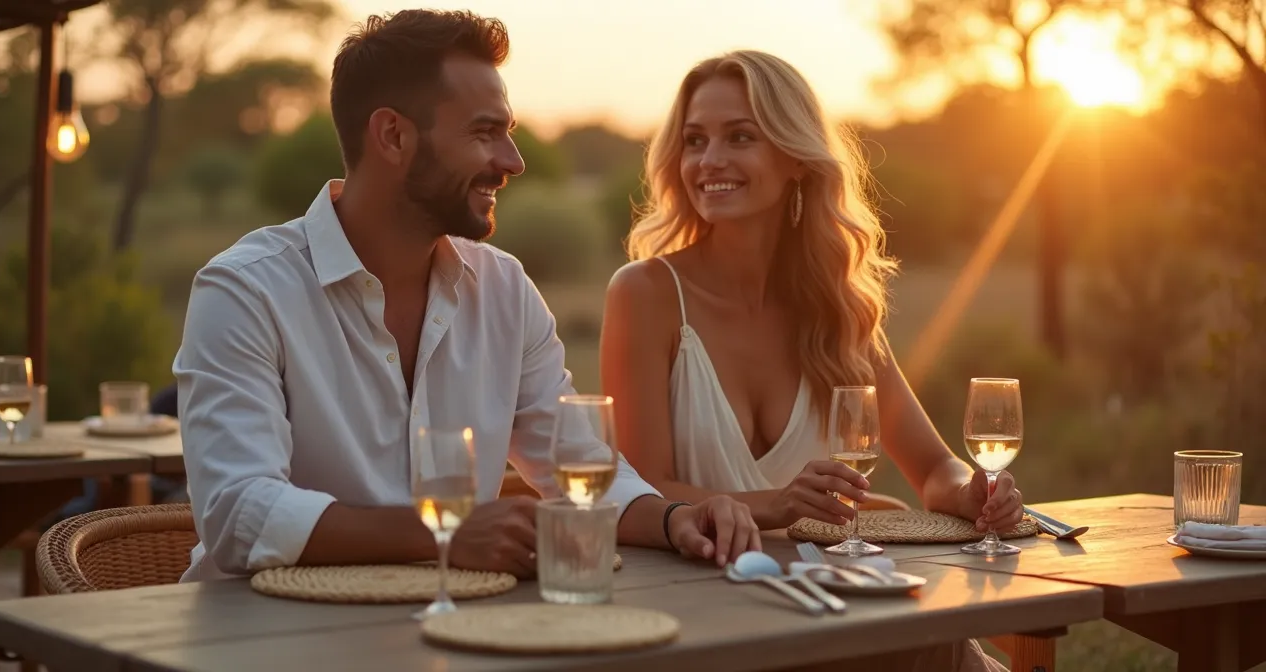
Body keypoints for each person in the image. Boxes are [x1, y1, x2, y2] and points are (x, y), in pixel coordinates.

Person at [172, 9, 759, 583]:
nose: (513, 160)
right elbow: (238, 515)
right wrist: (447, 533)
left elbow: (577, 467)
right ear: (393, 135)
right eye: (485, 132)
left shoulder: (505, 290)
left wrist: (678, 518)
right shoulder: (246, 291)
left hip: (449, 636)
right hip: (254, 641)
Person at [599, 50, 1017, 671]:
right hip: (701, 617)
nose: (709, 161)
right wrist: (779, 504)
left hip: (833, 603)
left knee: (930, 635)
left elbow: (932, 467)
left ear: (796, 158)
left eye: (740, 136)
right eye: (694, 140)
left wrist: (973, 491)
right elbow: (642, 487)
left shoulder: (837, 308)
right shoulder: (647, 294)